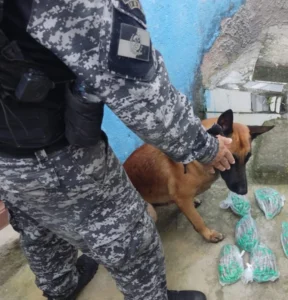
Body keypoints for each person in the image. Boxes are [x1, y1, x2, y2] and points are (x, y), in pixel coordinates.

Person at [0, 0, 235, 299]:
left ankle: (62, 288)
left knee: (37, 224)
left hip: (7, 160)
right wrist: (206, 146)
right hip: (55, 158)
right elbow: (145, 97)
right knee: (133, 240)